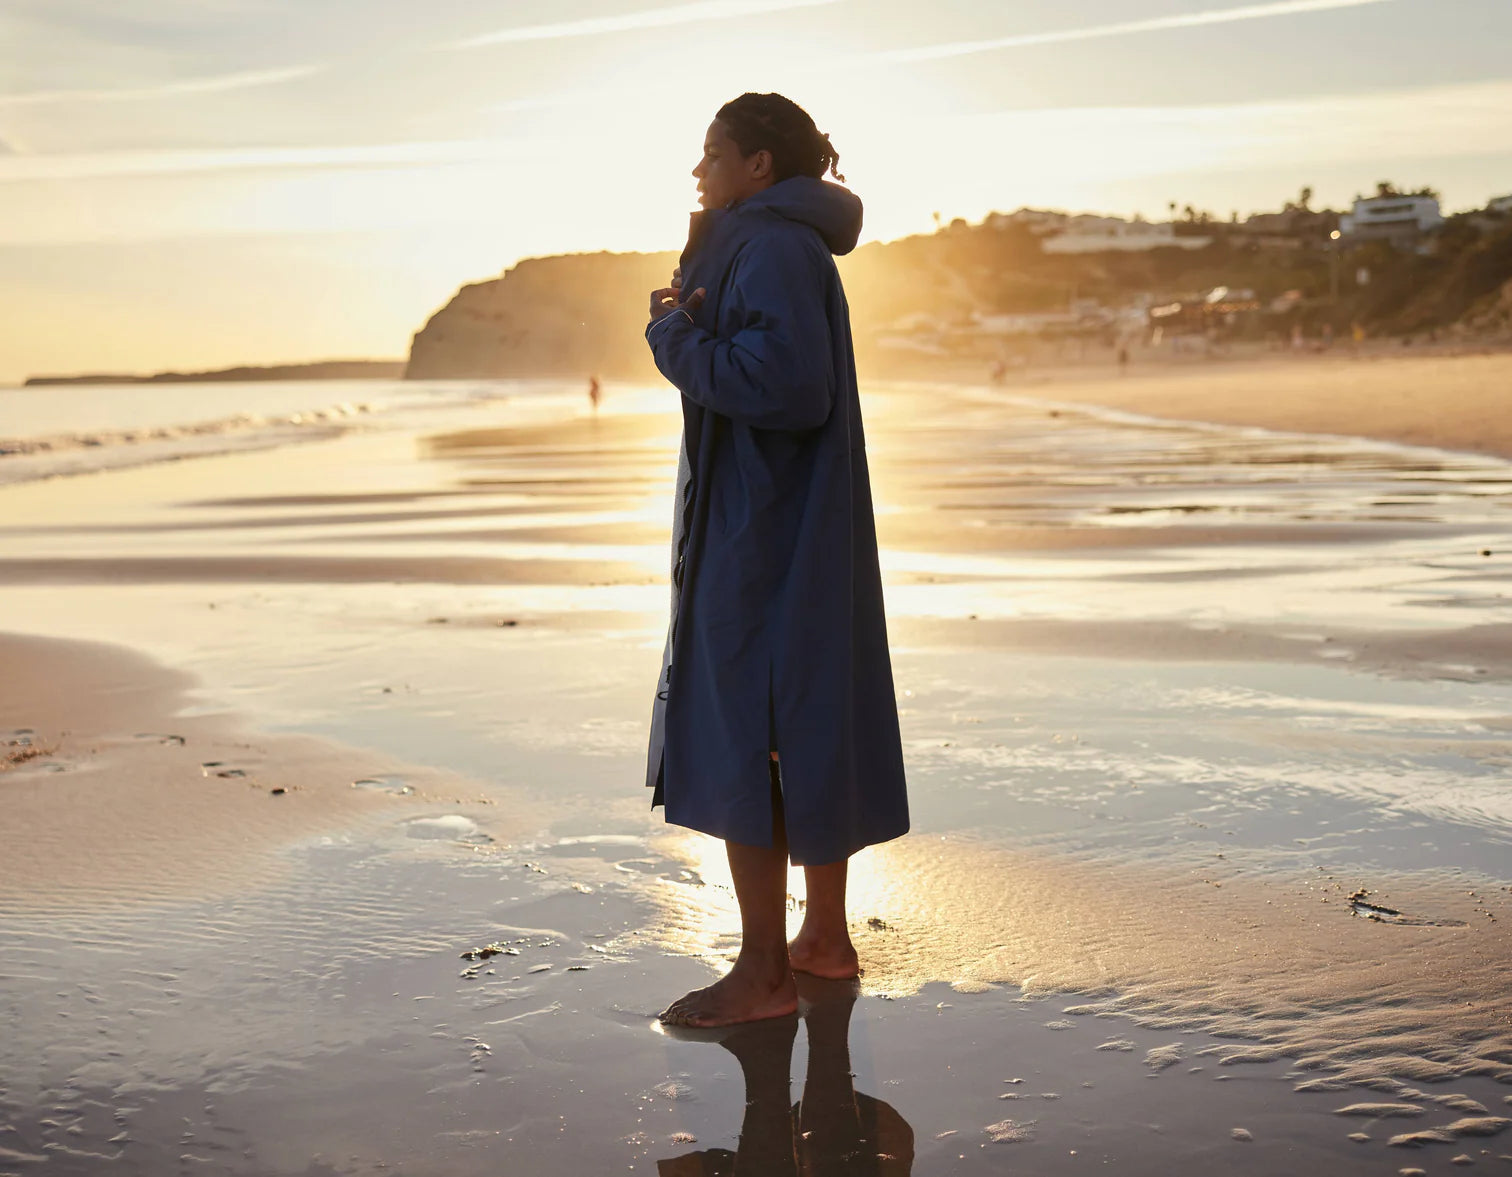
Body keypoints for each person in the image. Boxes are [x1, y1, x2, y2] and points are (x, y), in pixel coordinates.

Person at [643, 93, 909, 1028]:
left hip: (765, 527)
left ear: (758, 165)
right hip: (791, 517)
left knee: (750, 729)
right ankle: (821, 941)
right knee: (802, 716)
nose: (698, 169)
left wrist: (672, 332)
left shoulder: (769, 246)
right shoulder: (776, 242)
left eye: (711, 152)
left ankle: (762, 973)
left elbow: (789, 387)